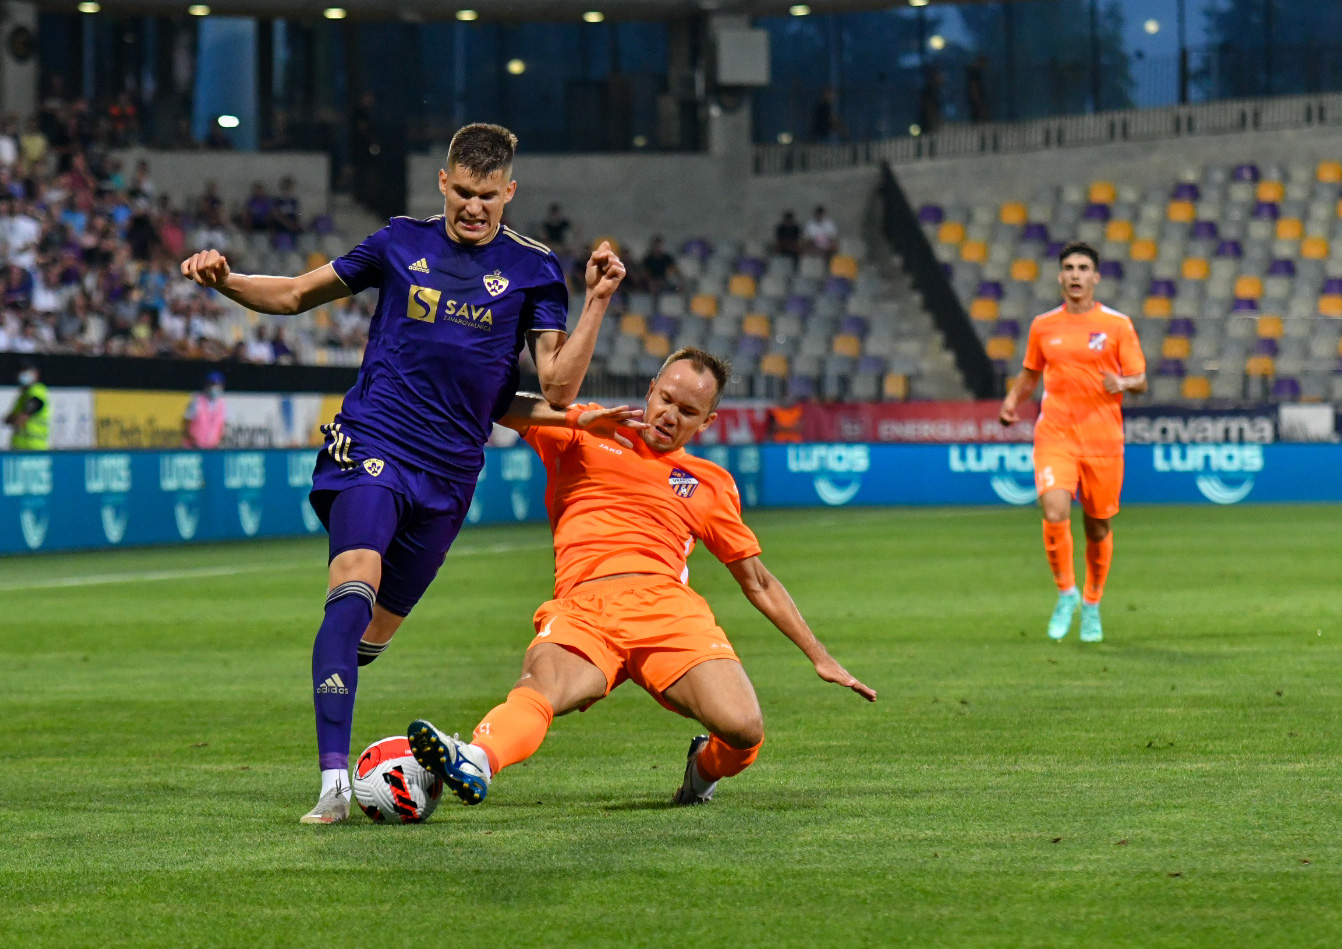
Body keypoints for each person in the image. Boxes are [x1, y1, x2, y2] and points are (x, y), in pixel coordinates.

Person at [180, 123, 626, 824]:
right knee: (354, 578)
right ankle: (332, 780)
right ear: (443, 182)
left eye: (488, 195)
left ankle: (359, 740)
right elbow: (297, 293)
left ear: (509, 192)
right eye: (463, 191)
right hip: (372, 443)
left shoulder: (536, 270)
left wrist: (597, 299)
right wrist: (228, 279)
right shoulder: (397, 242)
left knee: (367, 640)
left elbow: (557, 388)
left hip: (449, 477)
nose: (473, 207)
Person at [405, 348, 876, 808]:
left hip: (667, 610)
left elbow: (758, 580)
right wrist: (570, 418)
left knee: (744, 730)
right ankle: (474, 759)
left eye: (688, 411)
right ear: (651, 390)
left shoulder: (709, 483)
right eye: (666, 399)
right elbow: (494, 405)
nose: (671, 415)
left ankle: (703, 768)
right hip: (583, 607)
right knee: (539, 688)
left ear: (706, 423)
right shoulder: (588, 428)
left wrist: (819, 656)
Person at [998, 241, 1147, 644]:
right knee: (1054, 507)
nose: (1076, 274)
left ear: (1096, 277)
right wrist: (1012, 402)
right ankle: (1067, 594)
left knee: (1098, 527)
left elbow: (1140, 378)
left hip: (1102, 440)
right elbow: (1030, 374)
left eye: (1084, 267)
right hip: (1056, 434)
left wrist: (1124, 382)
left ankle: (1093, 604)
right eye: (1069, 267)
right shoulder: (1043, 325)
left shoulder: (1117, 325)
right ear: (1060, 277)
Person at [4, 359, 49, 450]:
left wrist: (17, 417)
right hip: (18, 449)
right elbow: (7, 419)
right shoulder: (23, 395)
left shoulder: (38, 391)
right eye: (22, 371)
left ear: (36, 373)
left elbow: (19, 420)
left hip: (34, 449)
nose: (23, 373)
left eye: (27, 370)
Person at [182, 370, 228, 449]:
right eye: (213, 384)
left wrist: (217, 443)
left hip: (212, 449)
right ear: (206, 385)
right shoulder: (197, 401)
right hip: (193, 447)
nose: (215, 388)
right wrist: (192, 442)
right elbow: (186, 423)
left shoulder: (223, 404)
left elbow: (223, 427)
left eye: (218, 385)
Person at [966, 54, 990, 124]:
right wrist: (979, 103)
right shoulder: (974, 73)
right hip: (976, 102)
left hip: (976, 101)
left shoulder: (974, 73)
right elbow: (974, 88)